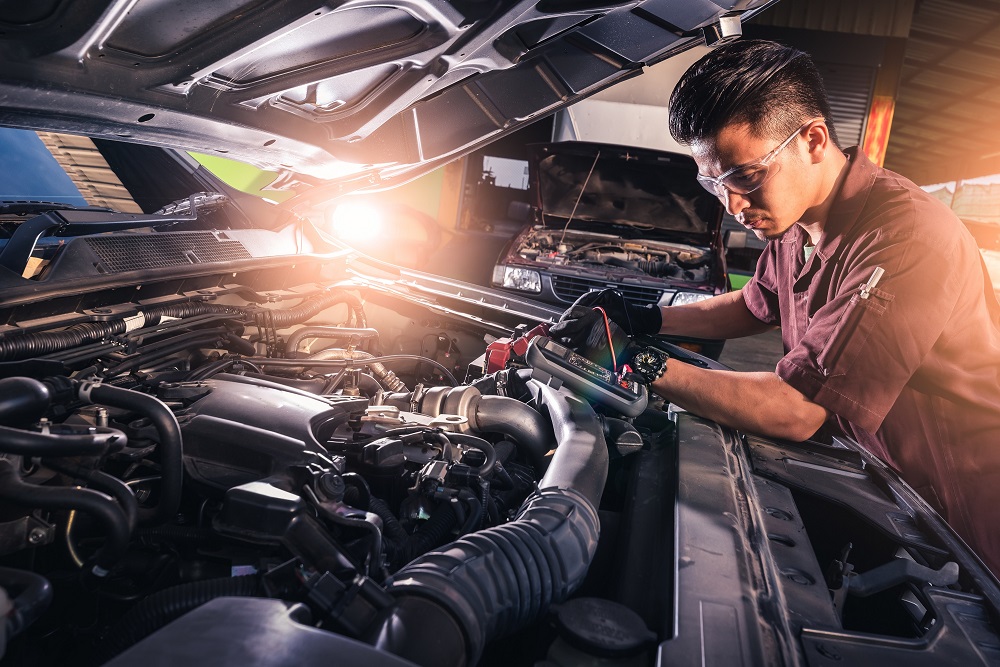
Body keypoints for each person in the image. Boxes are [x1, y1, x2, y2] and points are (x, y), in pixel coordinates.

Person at [549, 39, 1000, 575]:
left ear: (812, 140)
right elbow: (755, 304)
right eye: (713, 182)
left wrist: (633, 361)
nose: (733, 205)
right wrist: (643, 317)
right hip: (876, 475)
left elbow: (795, 408)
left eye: (744, 176)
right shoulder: (796, 221)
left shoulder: (907, 238)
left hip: (961, 510)